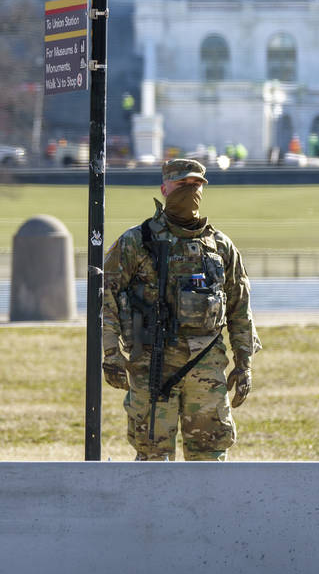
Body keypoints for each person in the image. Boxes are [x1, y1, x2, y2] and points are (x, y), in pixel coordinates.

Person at [101, 158, 261, 460]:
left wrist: (244, 363)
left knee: (209, 456)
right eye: (181, 184)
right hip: (152, 366)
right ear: (164, 188)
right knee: (152, 457)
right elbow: (105, 296)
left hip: (207, 369)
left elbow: (240, 308)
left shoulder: (220, 246)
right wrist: (111, 354)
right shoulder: (138, 242)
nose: (189, 190)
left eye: (196, 184)